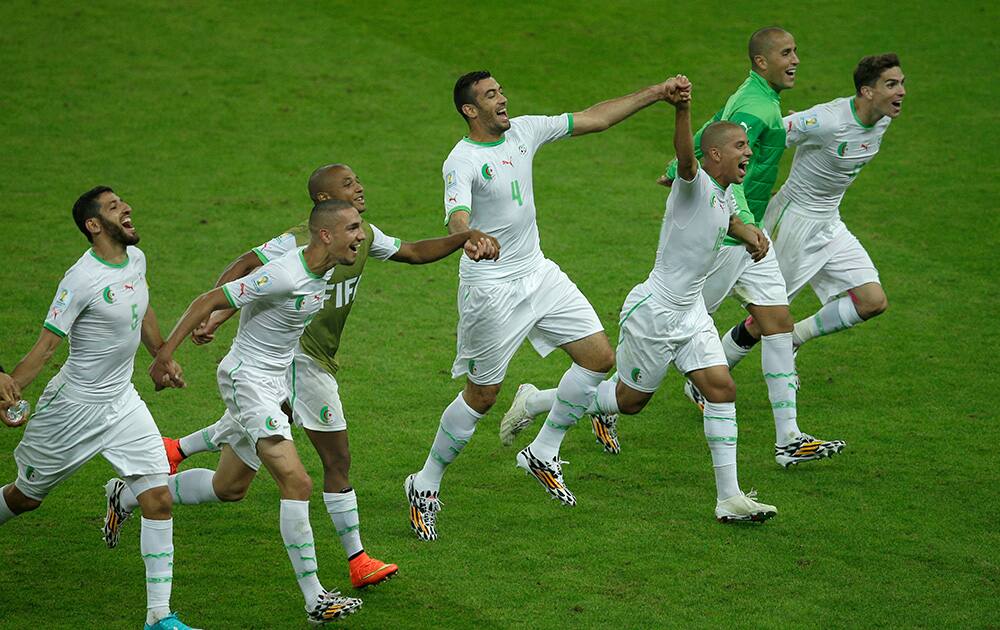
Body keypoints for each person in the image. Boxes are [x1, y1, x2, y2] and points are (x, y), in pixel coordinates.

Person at [148, 163, 498, 588]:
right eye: (348, 183)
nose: (360, 187)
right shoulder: (296, 244)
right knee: (335, 458)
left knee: (231, 486)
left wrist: (462, 236)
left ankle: (155, 472)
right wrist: (217, 318)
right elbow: (244, 267)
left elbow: (414, 251)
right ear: (323, 202)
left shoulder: (362, 236)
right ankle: (355, 560)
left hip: (302, 363)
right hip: (298, 360)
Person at [511, 28, 843, 466]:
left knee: (777, 322)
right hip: (720, 241)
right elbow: (715, 161)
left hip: (746, 234)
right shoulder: (753, 106)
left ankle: (788, 438)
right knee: (649, 369)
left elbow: (716, 148)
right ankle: (552, 402)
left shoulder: (763, 101)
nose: (796, 59)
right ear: (762, 62)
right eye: (786, 52)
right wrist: (739, 223)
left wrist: (745, 223)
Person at [404, 69, 688, 541]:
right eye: (490, 95)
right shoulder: (462, 160)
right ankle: (425, 482)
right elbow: (457, 215)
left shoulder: (525, 130)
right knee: (483, 396)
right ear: (470, 110)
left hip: (538, 272)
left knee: (599, 358)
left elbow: (594, 118)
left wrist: (657, 94)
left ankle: (544, 449)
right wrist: (469, 236)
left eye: (501, 91)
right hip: (491, 290)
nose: (503, 98)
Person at [512, 77, 778, 522]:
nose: (748, 151)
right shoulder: (691, 182)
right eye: (738, 145)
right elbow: (686, 159)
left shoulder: (724, 191)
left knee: (721, 388)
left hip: (690, 311)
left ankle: (729, 498)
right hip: (654, 313)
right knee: (630, 401)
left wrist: (747, 232)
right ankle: (538, 402)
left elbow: (722, 218)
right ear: (713, 155)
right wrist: (681, 111)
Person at [115, 199, 368, 624]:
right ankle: (315, 598)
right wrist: (164, 356)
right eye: (354, 228)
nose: (361, 236)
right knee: (297, 481)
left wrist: (222, 322)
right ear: (326, 234)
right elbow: (208, 298)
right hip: (247, 380)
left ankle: (130, 494)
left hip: (275, 383)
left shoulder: (324, 269)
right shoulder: (286, 273)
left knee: (229, 487)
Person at [0, 187, 198, 630]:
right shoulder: (80, 279)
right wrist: (9, 387)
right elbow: (47, 347)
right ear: (93, 225)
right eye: (113, 207)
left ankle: (159, 617)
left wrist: (161, 356)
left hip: (122, 402)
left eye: (124, 202)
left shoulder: (136, 260)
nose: (126, 208)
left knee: (158, 498)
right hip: (71, 409)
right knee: (25, 498)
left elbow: (141, 308)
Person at [718, 55, 904, 379]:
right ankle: (707, 377)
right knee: (765, 319)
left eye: (901, 83)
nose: (901, 91)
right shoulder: (829, 120)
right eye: (891, 84)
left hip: (830, 222)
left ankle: (796, 337)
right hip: (792, 221)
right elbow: (770, 136)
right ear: (867, 91)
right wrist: (750, 189)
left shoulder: (883, 119)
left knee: (872, 300)